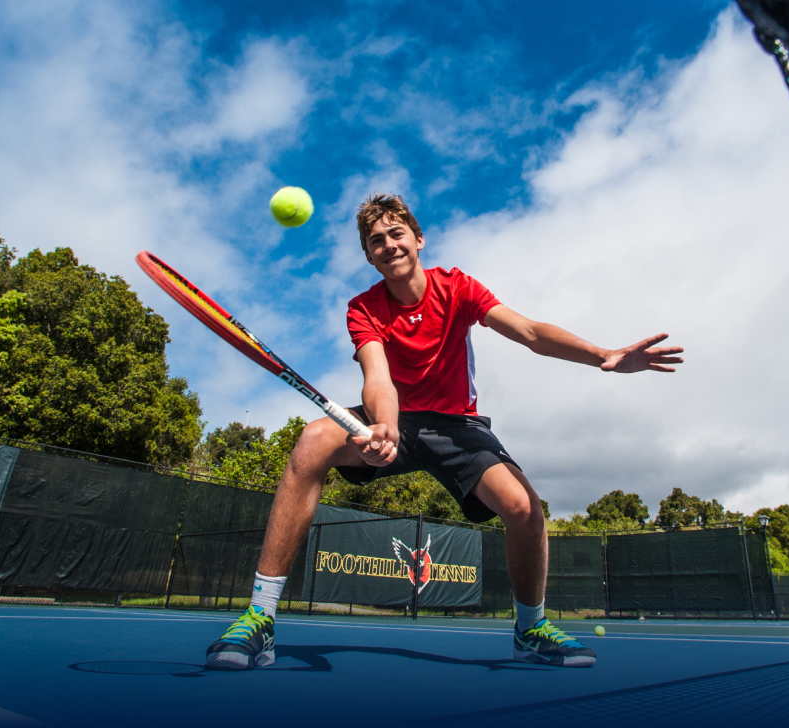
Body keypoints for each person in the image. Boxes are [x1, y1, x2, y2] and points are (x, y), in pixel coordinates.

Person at [205, 194, 683, 670]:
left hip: (458, 427)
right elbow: (378, 377)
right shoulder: (363, 309)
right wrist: (385, 428)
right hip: (401, 421)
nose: (389, 245)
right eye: (376, 241)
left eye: (396, 234)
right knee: (313, 440)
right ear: (369, 255)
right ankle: (260, 617)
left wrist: (603, 356)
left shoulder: (457, 288)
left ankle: (530, 628)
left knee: (523, 508)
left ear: (418, 238)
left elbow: (530, 332)